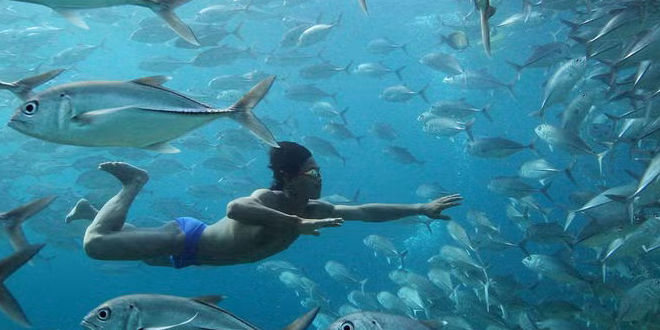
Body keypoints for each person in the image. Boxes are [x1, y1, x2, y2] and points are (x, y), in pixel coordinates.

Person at [65, 141, 463, 268]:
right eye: (311, 173)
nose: (319, 178)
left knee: (142, 254)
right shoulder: (267, 198)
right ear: (289, 177)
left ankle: (87, 210)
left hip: (191, 260)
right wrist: (293, 225)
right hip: (185, 238)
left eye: (319, 170)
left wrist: (419, 208)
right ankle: (134, 182)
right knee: (96, 245)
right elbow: (236, 209)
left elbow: (365, 211)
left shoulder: (315, 210)